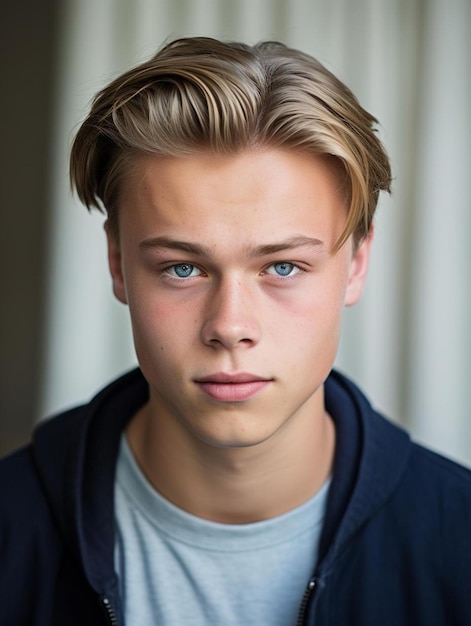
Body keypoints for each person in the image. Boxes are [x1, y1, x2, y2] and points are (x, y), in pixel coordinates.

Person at [0, 36, 470, 626]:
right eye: (182, 268)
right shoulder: (10, 532)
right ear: (119, 264)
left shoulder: (458, 543)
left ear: (356, 264)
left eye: (282, 267)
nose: (230, 327)